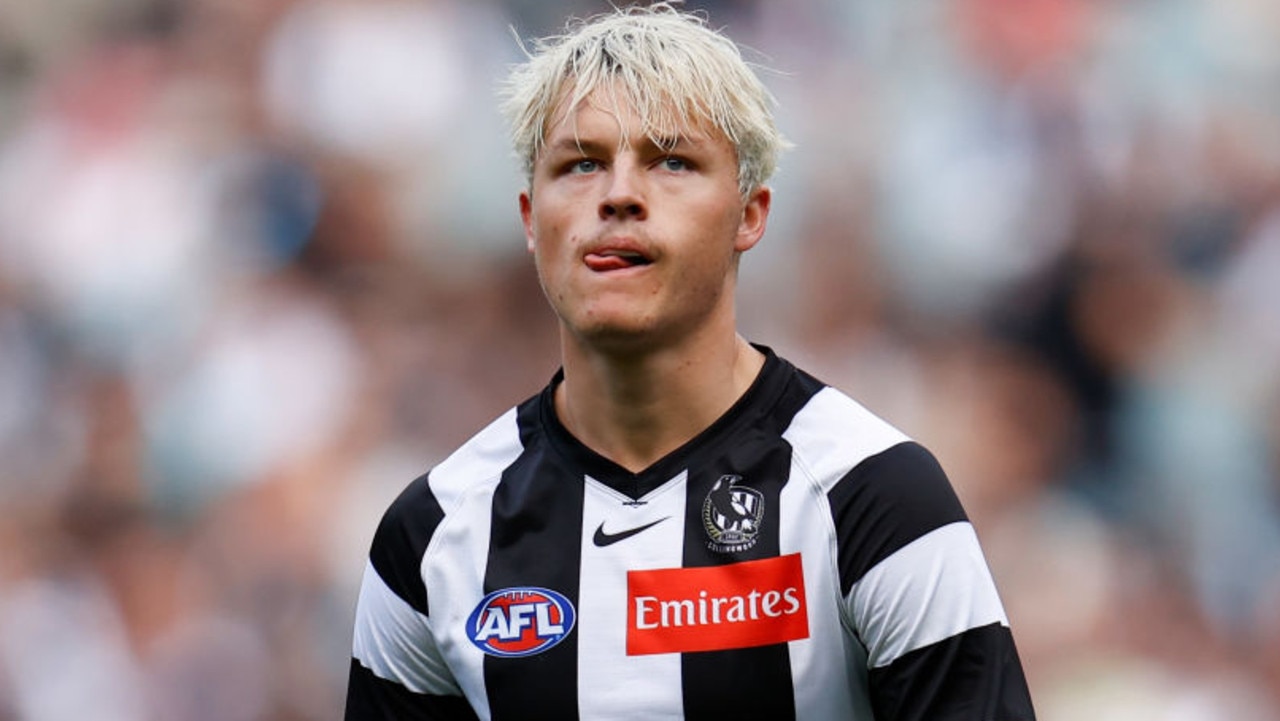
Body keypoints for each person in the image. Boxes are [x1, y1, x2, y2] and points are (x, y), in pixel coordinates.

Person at [344, 4, 1036, 719]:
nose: (617, 195)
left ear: (750, 214)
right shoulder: (434, 534)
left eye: (672, 161)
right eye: (580, 164)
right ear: (529, 218)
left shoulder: (872, 494)